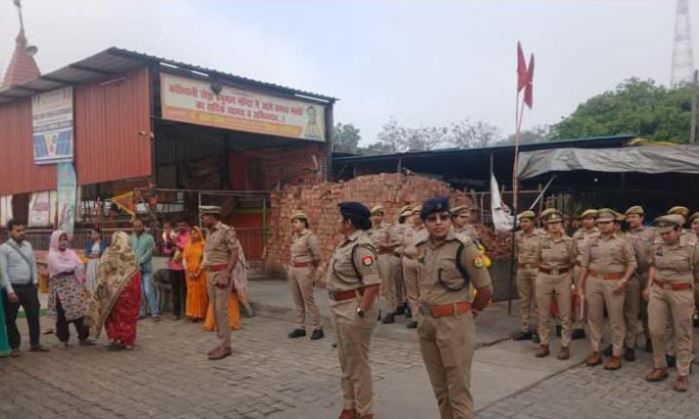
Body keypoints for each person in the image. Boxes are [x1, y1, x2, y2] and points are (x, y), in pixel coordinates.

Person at [415, 197, 493, 419]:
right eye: (432, 219)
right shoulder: (422, 248)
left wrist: (472, 311)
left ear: (450, 219)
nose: (439, 222)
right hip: (427, 323)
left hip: (454, 323)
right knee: (441, 390)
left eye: (443, 217)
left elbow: (485, 289)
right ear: (425, 223)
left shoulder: (463, 248)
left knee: (458, 391)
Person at [326, 202, 381, 419]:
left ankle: (365, 412)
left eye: (339, 218)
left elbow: (373, 284)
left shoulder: (361, 247)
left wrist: (360, 312)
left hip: (353, 307)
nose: (336, 221)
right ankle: (350, 407)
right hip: (340, 307)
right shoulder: (346, 244)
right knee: (346, 361)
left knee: (358, 364)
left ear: (348, 222)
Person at [643, 214, 699, 392]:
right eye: (662, 233)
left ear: (679, 230)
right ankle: (660, 366)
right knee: (656, 330)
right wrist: (648, 286)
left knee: (682, 333)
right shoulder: (657, 244)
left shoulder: (692, 247)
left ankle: (682, 374)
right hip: (658, 291)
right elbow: (653, 265)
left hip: (681, 292)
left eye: (668, 233)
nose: (664, 236)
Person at [578, 208, 636, 370]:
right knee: (594, 318)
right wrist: (580, 286)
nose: (603, 226)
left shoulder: (623, 241)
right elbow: (584, 264)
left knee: (616, 319)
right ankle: (596, 351)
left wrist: (624, 280)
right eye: (600, 223)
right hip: (593, 281)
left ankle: (616, 354)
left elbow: (632, 263)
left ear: (615, 224)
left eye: (607, 223)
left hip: (614, 282)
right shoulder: (592, 240)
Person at [86, 231, 141, 351]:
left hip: (113, 292)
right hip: (131, 292)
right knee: (128, 317)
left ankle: (115, 338)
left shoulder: (109, 252)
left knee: (112, 315)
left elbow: (103, 270)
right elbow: (136, 274)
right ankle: (128, 341)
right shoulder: (132, 254)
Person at [0, 219, 48, 355]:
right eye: (18, 230)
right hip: (13, 288)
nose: (22, 233)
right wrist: (10, 291)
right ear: (10, 232)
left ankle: (35, 344)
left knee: (34, 316)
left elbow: (32, 264)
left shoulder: (28, 245)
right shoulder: (4, 248)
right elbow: (3, 271)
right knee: (11, 319)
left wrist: (35, 282)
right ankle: (14, 346)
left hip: (29, 288)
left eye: (23, 230)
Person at [201, 206, 240, 361]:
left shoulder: (226, 231)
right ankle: (222, 341)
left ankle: (226, 346)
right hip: (210, 274)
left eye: (205, 216)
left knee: (221, 310)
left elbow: (235, 253)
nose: (203, 219)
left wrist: (227, 273)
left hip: (221, 273)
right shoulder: (209, 232)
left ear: (213, 216)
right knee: (215, 311)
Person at [533, 210, 574, 359]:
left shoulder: (569, 241)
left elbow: (573, 260)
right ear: (547, 225)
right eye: (551, 223)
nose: (554, 226)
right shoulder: (542, 240)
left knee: (565, 314)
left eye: (557, 223)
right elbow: (536, 258)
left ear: (562, 224)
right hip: (544, 276)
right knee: (542, 313)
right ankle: (544, 344)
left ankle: (565, 345)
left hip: (563, 277)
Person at [46, 230, 92, 348]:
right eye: (60, 240)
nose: (63, 242)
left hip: (73, 285)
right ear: (55, 241)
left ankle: (83, 337)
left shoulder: (71, 253)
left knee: (81, 311)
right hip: (60, 288)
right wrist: (72, 266)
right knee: (62, 313)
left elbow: (80, 265)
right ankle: (63, 339)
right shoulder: (51, 255)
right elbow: (59, 268)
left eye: (65, 239)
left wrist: (73, 267)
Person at [287, 212, 324, 340]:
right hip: (293, 269)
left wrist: (313, 271)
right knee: (297, 300)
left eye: (296, 222)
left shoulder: (310, 237)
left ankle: (317, 327)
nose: (293, 224)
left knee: (308, 300)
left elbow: (317, 256)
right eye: (293, 222)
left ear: (303, 223)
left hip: (305, 269)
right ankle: (300, 327)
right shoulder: (295, 236)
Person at [624, 205, 655, 356]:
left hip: (646, 274)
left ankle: (650, 339)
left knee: (647, 310)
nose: (631, 219)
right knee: (630, 311)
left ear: (641, 218)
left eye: (634, 216)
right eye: (629, 217)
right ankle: (630, 344)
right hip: (631, 277)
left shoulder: (652, 233)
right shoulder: (624, 235)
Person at [513, 210, 541, 343]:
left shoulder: (541, 235)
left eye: (526, 221)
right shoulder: (518, 236)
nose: (523, 224)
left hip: (536, 269)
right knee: (524, 301)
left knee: (538, 301)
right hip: (522, 269)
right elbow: (516, 253)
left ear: (533, 222)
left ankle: (538, 330)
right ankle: (526, 329)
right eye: (521, 221)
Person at [571, 209, 599, 340]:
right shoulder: (577, 235)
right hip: (579, 267)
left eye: (590, 219)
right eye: (584, 219)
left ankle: (595, 329)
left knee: (594, 300)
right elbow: (573, 252)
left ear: (595, 220)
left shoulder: (600, 234)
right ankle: (579, 326)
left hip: (593, 270)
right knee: (579, 296)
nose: (586, 221)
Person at [369, 205, 398, 325]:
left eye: (379, 215)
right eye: (375, 215)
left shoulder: (387, 228)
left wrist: (386, 246)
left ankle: (391, 311)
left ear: (382, 216)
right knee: (372, 285)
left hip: (383, 256)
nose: (377, 217)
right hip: (371, 258)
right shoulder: (368, 229)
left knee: (388, 284)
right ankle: (377, 310)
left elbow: (397, 242)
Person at [402, 206, 428, 329]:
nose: (417, 215)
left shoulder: (427, 230)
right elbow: (402, 245)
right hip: (408, 261)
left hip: (422, 261)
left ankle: (425, 318)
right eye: (415, 213)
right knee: (411, 292)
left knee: (423, 291)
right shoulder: (407, 230)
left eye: (419, 213)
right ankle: (416, 317)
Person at [129, 219, 160, 322]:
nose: (137, 228)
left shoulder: (149, 238)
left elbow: (149, 252)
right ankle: (142, 312)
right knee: (140, 291)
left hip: (146, 268)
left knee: (148, 290)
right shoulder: (131, 238)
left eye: (139, 226)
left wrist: (139, 262)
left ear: (143, 226)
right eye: (135, 226)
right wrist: (133, 262)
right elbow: (129, 251)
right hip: (135, 269)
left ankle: (155, 313)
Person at [163, 220, 191, 320]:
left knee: (185, 290)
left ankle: (187, 312)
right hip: (173, 267)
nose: (180, 227)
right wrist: (170, 250)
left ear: (187, 226)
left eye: (183, 225)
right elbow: (165, 249)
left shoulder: (190, 236)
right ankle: (176, 313)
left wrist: (177, 244)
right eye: (179, 225)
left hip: (184, 267)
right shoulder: (174, 235)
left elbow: (188, 249)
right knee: (175, 290)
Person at [182, 226, 208, 321]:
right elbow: (184, 258)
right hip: (189, 273)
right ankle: (192, 314)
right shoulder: (188, 244)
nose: (193, 235)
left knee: (201, 293)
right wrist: (187, 270)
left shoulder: (204, 244)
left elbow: (205, 259)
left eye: (195, 233)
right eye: (192, 233)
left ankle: (201, 313)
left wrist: (198, 271)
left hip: (200, 273)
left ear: (199, 234)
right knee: (191, 293)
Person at [84, 227, 107, 293]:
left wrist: (97, 254)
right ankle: (90, 291)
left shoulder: (103, 243)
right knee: (91, 275)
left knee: (98, 276)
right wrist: (94, 255)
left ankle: (98, 292)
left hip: (99, 262)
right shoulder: (89, 243)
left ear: (99, 234)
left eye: (94, 233)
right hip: (91, 263)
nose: (92, 235)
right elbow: (86, 254)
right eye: (91, 234)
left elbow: (103, 252)